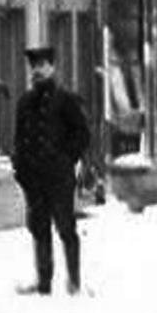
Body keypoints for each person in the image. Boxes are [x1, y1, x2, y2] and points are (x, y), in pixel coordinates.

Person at [13, 44, 92, 296]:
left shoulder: (66, 99)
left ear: (52, 67)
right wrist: (20, 167)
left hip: (58, 177)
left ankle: (74, 281)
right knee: (39, 227)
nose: (37, 70)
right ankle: (44, 281)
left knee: (66, 228)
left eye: (42, 65)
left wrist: (66, 158)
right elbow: (19, 138)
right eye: (34, 66)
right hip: (34, 177)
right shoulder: (25, 102)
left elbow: (82, 134)